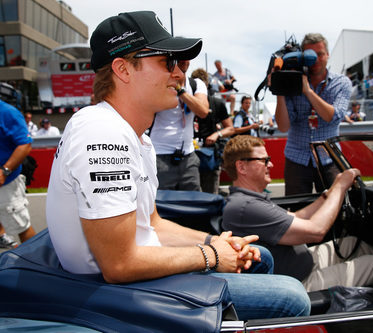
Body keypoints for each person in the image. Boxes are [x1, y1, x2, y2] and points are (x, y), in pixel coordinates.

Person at [45, 11, 310, 320]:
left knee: (259, 256)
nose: (180, 75)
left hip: (131, 279)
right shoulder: (101, 132)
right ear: (123, 69)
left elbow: (153, 225)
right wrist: (210, 255)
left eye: (181, 64)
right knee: (293, 297)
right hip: (111, 293)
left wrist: (215, 241)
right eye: (167, 62)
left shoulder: (135, 137)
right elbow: (119, 265)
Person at [221, 135, 373, 292]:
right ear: (241, 167)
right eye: (264, 160)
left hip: (302, 263)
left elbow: (298, 217)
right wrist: (340, 186)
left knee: (356, 245)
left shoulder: (249, 201)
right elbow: (316, 231)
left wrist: (329, 193)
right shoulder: (246, 206)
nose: (271, 164)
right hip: (297, 282)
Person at [275, 33, 351, 196]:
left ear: (328, 55)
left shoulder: (341, 83)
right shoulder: (292, 81)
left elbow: (333, 116)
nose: (315, 59)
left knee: (334, 208)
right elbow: (283, 126)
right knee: (297, 210)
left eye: (320, 54)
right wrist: (280, 89)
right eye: (310, 55)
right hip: (297, 158)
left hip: (329, 157)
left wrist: (307, 91)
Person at [150, 59, 209, 191]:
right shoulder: (159, 82)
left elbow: (203, 111)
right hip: (160, 155)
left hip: (188, 156)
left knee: (194, 204)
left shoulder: (196, 84)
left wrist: (180, 90)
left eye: (187, 56)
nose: (184, 61)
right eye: (179, 56)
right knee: (161, 206)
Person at [191, 68, 235, 194]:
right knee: (190, 200)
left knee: (210, 197)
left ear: (206, 85)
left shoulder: (217, 103)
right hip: (188, 158)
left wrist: (217, 134)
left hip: (209, 158)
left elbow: (231, 128)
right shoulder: (185, 102)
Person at [0, 99, 36, 248]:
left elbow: (25, 144)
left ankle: (35, 262)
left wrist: (4, 171)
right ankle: (2, 236)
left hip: (6, 183)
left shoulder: (7, 112)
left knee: (21, 225)